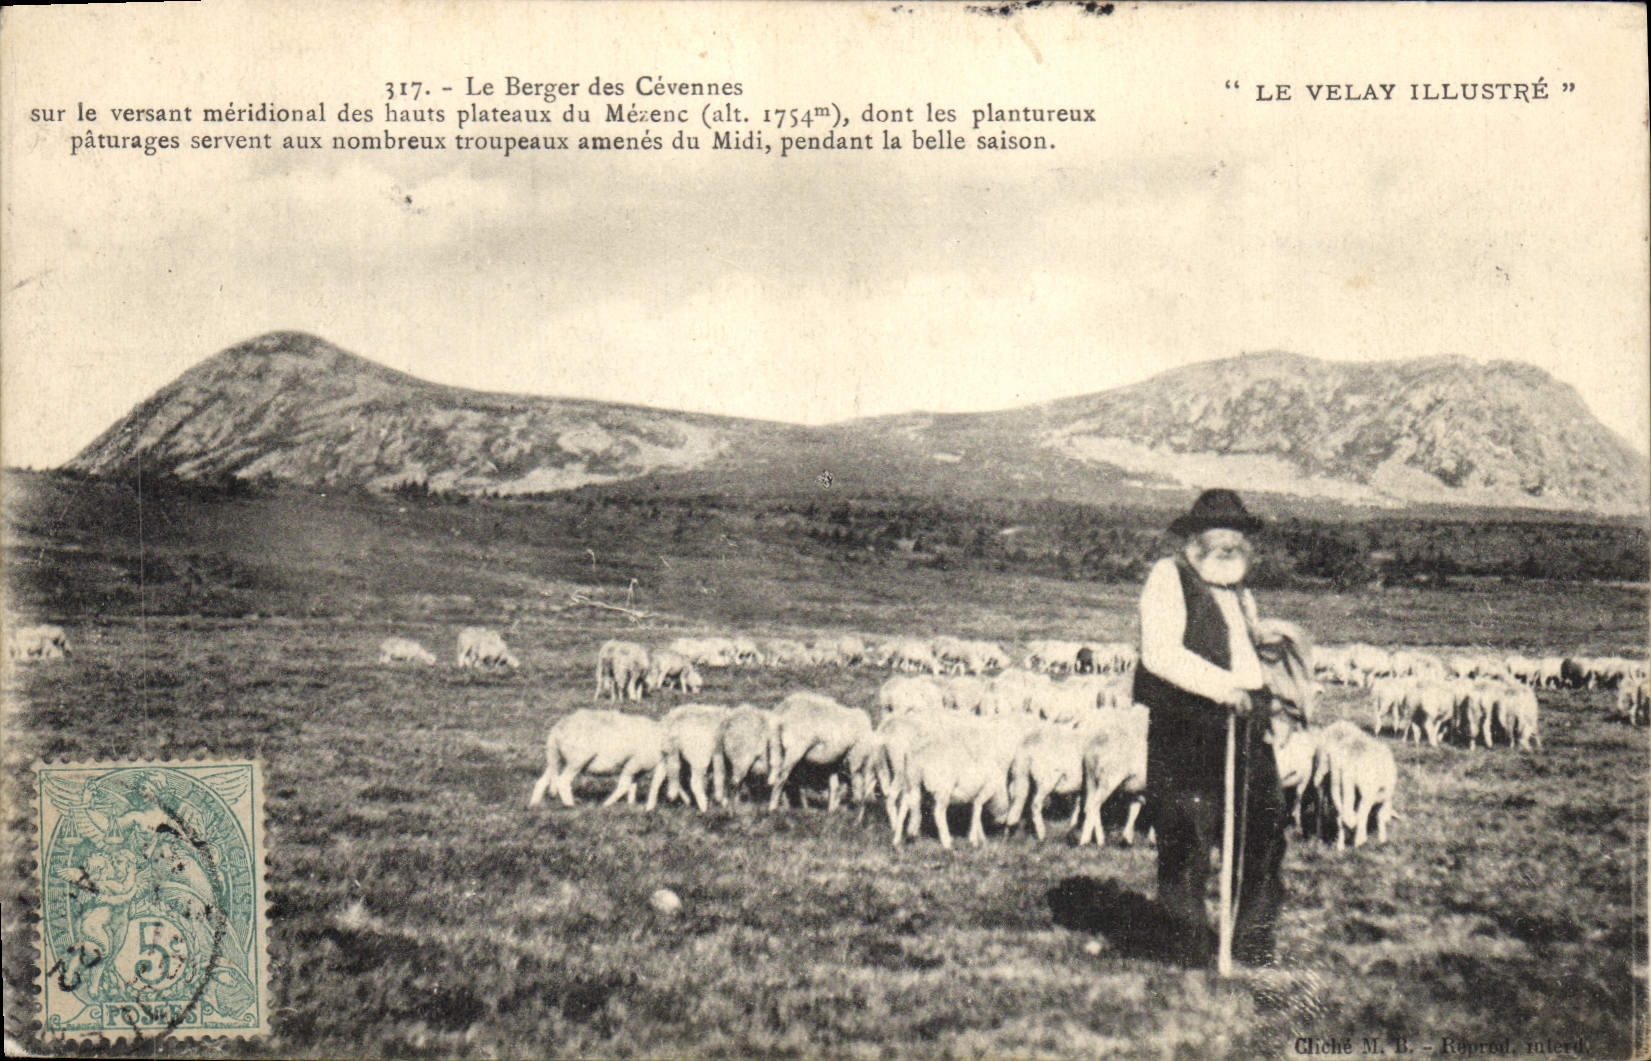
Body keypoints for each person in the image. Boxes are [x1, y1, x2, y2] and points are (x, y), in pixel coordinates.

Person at [1132, 488, 1287, 969]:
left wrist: (1268, 671)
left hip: (1245, 725)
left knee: (1263, 830)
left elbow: (1246, 656)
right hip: (1188, 727)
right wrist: (1224, 689)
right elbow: (1160, 653)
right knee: (1187, 836)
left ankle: (1252, 942)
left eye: (1237, 535)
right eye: (1216, 534)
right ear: (1193, 539)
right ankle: (1189, 948)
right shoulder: (1167, 578)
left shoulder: (1241, 592)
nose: (1228, 544)